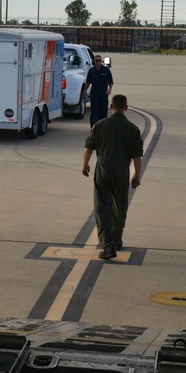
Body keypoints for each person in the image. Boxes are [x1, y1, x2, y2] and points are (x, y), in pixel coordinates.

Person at [81, 94, 143, 260]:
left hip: (103, 172)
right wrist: (137, 176)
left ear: (111, 107)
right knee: (120, 207)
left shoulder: (99, 125)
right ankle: (116, 239)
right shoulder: (133, 129)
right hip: (122, 173)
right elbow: (137, 157)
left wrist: (85, 164)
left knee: (103, 208)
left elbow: (88, 148)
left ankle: (108, 245)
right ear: (126, 108)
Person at [85, 53, 114, 126]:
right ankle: (94, 127)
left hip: (103, 93)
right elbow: (88, 82)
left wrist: (109, 90)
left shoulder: (106, 70)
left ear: (101, 61)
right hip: (94, 93)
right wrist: (85, 91)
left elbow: (110, 81)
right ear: (94, 61)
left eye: (99, 60)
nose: (98, 62)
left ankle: (103, 127)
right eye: (96, 60)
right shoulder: (91, 70)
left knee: (103, 111)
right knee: (94, 111)